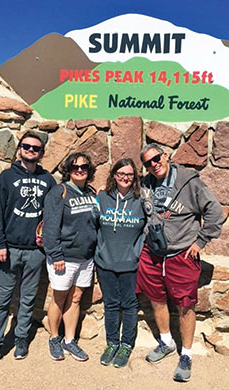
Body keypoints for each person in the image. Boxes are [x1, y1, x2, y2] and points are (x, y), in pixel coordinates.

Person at [136, 143, 223, 382]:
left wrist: (201, 241)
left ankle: (186, 354)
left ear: (165, 155)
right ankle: (166, 342)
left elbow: (215, 212)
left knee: (185, 306)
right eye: (147, 163)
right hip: (152, 254)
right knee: (156, 299)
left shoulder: (189, 182)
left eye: (156, 159)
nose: (153, 165)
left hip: (181, 255)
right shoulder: (146, 184)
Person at [0, 131, 56, 372]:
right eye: (26, 146)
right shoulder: (5, 177)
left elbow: (53, 214)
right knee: (1, 301)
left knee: (28, 298)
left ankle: (21, 337)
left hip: (35, 252)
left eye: (35, 148)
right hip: (9, 250)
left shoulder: (48, 180)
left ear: (41, 153)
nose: (30, 150)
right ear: (19, 149)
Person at [42, 152, 98, 362]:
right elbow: (50, 227)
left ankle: (69, 340)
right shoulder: (59, 192)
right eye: (75, 167)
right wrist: (56, 254)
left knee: (75, 299)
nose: (80, 170)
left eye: (84, 167)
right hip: (64, 257)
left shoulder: (91, 194)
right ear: (68, 170)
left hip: (86, 258)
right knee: (59, 298)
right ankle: (54, 337)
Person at [95, 158, 146, 368]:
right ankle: (112, 343)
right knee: (111, 304)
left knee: (130, 304)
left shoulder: (141, 200)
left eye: (129, 174)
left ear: (134, 178)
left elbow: (149, 228)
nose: (125, 178)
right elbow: (89, 223)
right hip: (105, 261)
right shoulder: (101, 197)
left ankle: (126, 344)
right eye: (121, 173)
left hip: (130, 263)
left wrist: (138, 252)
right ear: (114, 175)